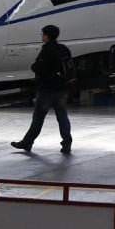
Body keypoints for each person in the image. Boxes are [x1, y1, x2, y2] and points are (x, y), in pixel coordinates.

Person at [11, 24, 73, 154]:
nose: (42, 36)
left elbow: (38, 68)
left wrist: (34, 66)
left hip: (47, 90)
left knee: (38, 118)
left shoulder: (47, 50)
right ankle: (67, 144)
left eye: (43, 34)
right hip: (62, 89)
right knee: (62, 117)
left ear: (47, 36)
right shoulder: (64, 49)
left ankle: (27, 143)